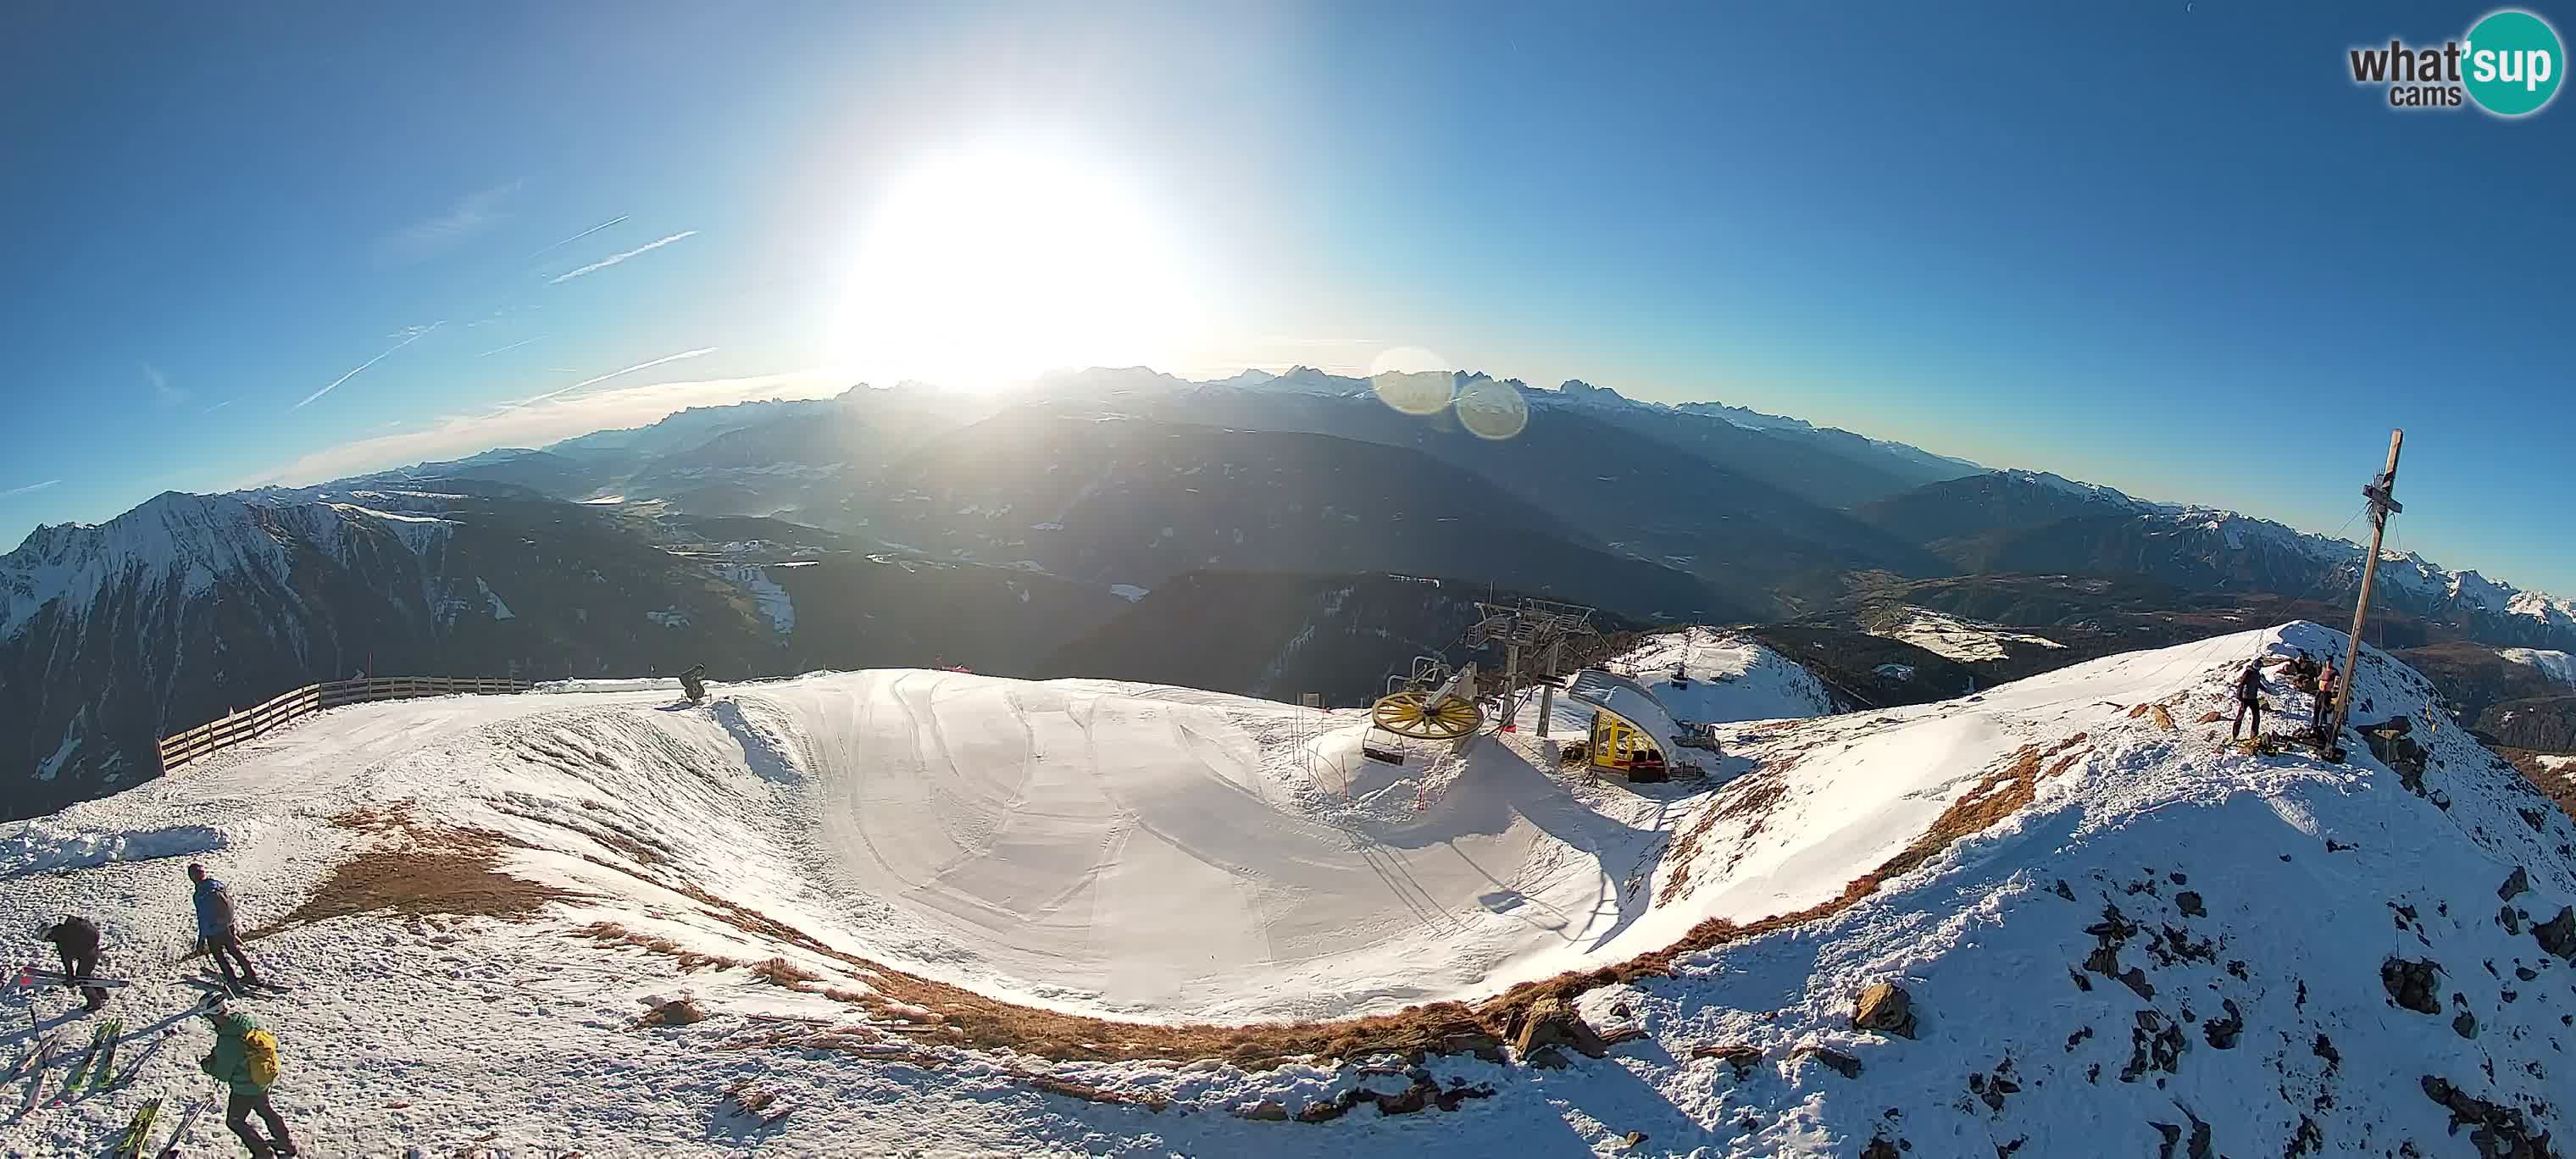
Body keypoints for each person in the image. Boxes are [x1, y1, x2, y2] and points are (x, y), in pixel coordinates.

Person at [200, 1000, 297, 1157]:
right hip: (262, 1077)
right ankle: (286, 1143)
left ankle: (263, 1153)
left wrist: (207, 1065)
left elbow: (222, 1073)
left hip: (245, 1086)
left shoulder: (229, 1040)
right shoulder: (244, 1021)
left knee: (235, 1121)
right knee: (264, 1109)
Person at [190, 863, 260, 990]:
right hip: (228, 925)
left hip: (214, 930)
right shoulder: (217, 885)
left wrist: (201, 940)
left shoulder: (200, 895)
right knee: (234, 950)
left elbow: (203, 919)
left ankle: (232, 982)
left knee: (219, 956)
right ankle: (251, 975)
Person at [35, 916, 108, 1012]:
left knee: (81, 979)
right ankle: (101, 993)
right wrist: (70, 976)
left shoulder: (63, 938)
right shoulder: (70, 926)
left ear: (50, 934)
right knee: (84, 975)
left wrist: (70, 977)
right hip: (92, 951)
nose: (50, 941)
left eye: (48, 939)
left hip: (89, 954)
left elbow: (66, 959)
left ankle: (95, 1003)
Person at [2230, 659, 2267, 742]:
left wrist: (2265, 689)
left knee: (2256, 716)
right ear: (2253, 665)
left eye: (2260, 667)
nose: (2258, 668)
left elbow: (2258, 684)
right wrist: (2239, 696)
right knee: (2240, 716)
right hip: (2245, 698)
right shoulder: (2248, 673)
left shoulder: (2257, 674)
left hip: (2253, 697)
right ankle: (2234, 735)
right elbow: (2241, 684)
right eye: (2257, 666)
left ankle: (2254, 736)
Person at [2313, 657, 2340, 730]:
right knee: (2316, 708)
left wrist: (2334, 692)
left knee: (2324, 709)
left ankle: (2323, 725)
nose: (2328, 664)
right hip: (2320, 691)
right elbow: (2320, 677)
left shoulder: (2334, 672)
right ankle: (2314, 724)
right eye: (2327, 662)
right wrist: (2316, 679)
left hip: (2327, 693)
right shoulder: (2324, 670)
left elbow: (2337, 682)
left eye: (2330, 663)